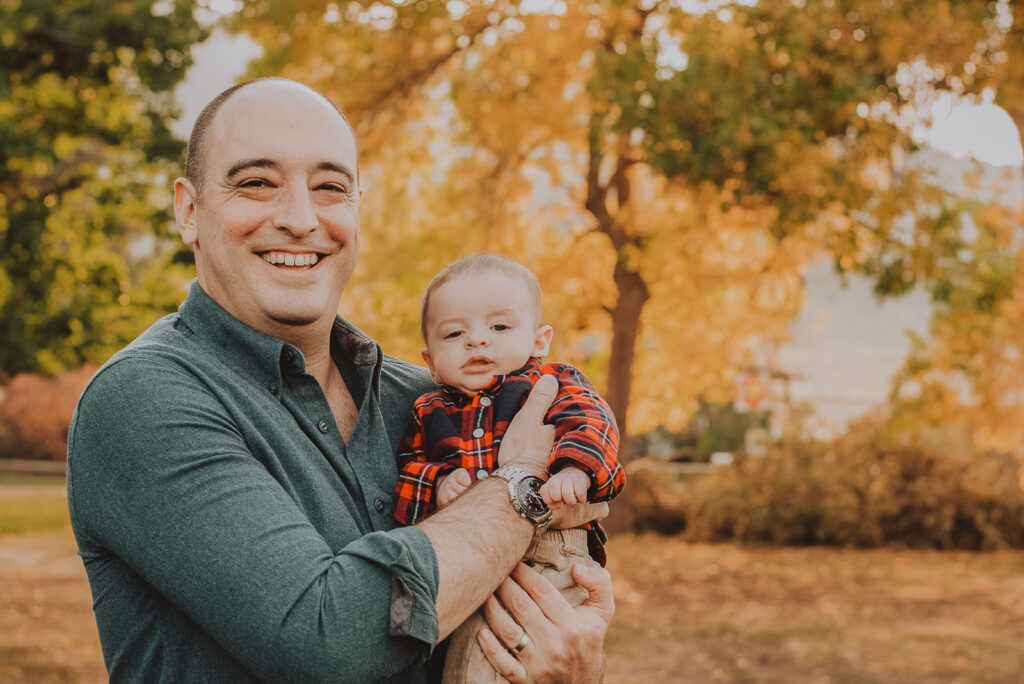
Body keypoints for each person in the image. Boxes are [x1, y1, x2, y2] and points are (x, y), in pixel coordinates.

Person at [65, 77, 613, 683]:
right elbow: (331, 642)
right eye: (256, 183)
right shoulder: (143, 399)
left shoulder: (426, 398)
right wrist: (519, 489)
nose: (301, 219)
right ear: (189, 211)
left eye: (330, 188)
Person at [392, 252, 626, 683]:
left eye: (499, 327)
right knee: (462, 661)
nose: (477, 341)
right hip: (469, 557)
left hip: (551, 554)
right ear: (430, 360)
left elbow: (591, 422)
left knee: (508, 661)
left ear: (539, 341)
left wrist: (575, 469)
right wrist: (437, 482)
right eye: (455, 332)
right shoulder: (427, 409)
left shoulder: (550, 383)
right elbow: (408, 469)